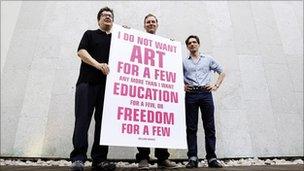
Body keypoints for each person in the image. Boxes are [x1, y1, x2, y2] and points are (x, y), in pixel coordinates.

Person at [69, 7, 116, 171]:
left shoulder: (117, 40)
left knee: (104, 124)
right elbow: (81, 52)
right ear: (99, 20)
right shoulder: (90, 34)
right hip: (87, 84)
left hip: (108, 88)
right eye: (104, 15)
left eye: (110, 16)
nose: (107, 17)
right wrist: (98, 65)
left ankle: (100, 159)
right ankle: (78, 158)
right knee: (82, 120)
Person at [135, 14, 178, 170]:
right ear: (144, 25)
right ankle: (143, 158)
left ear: (157, 25)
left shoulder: (163, 43)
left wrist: (172, 48)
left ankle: (162, 158)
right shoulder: (136, 39)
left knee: (160, 123)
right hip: (143, 89)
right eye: (148, 22)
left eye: (153, 21)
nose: (151, 23)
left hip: (159, 91)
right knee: (143, 123)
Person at [183, 35, 225, 168]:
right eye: (189, 43)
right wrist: (182, 86)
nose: (192, 44)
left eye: (194, 42)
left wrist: (216, 85)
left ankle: (212, 157)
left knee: (209, 126)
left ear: (198, 44)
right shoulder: (184, 62)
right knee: (191, 127)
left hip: (206, 94)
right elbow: (175, 76)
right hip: (191, 95)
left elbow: (222, 71)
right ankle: (193, 157)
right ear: (187, 46)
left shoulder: (208, 59)